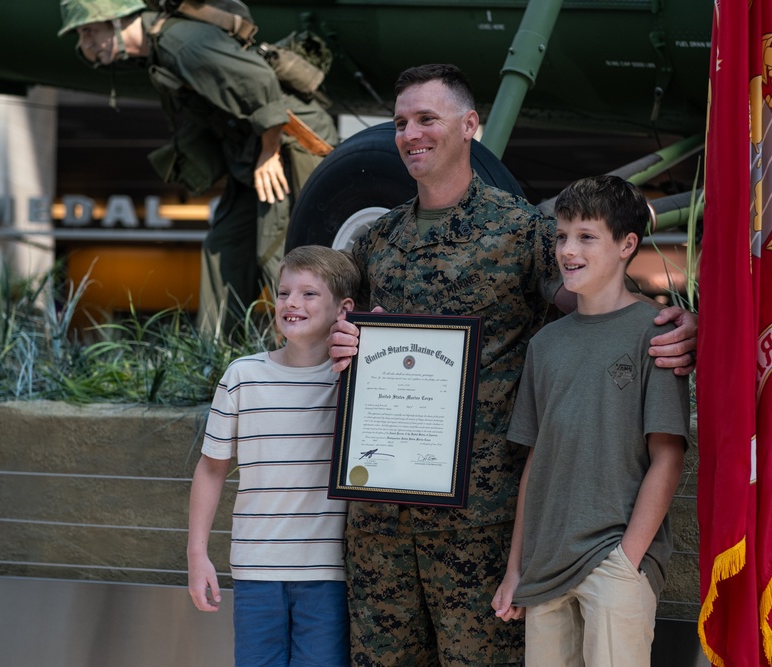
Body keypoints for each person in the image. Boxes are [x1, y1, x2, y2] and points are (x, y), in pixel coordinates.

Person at [327, 64, 698, 667]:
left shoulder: (523, 232)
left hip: (478, 529)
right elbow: (319, 317)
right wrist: (338, 340)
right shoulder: (375, 241)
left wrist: (685, 322)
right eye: (399, 123)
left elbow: (603, 301)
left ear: (470, 125)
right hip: (381, 523)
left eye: (428, 118)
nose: (410, 133)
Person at [490, 175, 690, 667]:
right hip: (545, 566)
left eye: (586, 236)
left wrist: (628, 559)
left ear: (627, 245)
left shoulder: (655, 332)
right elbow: (537, 462)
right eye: (561, 236)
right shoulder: (546, 345)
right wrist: (516, 569)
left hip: (613, 559)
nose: (568, 250)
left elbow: (668, 457)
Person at [58, 0, 339, 336]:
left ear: (120, 21)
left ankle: (317, 361)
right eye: (80, 34)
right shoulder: (160, 50)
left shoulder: (183, 44)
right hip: (253, 154)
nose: (84, 44)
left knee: (277, 255)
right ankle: (215, 358)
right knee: (224, 247)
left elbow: (261, 83)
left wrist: (268, 154)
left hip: (287, 145)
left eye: (89, 30)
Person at [187, 244, 359, 667]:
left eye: (308, 293)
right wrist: (196, 554)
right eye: (283, 293)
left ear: (344, 308)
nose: (292, 303)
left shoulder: (357, 382)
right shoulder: (242, 376)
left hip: (327, 574)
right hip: (256, 570)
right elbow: (211, 470)